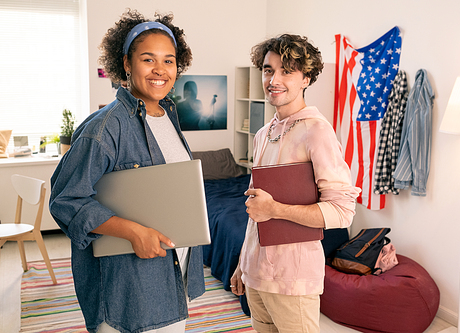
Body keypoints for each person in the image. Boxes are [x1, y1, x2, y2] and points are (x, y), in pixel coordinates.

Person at [49, 9, 205, 333]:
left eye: (169, 60)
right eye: (148, 59)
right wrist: (135, 232)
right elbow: (66, 199)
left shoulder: (168, 115)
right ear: (126, 64)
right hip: (131, 293)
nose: (160, 70)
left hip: (170, 280)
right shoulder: (105, 127)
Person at [230, 34, 361, 332]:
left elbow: (342, 212)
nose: (274, 79)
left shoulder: (317, 132)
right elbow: (256, 212)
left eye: (287, 70)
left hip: (293, 281)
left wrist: (275, 209)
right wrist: (243, 264)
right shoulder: (262, 134)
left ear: (307, 78)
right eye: (268, 70)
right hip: (256, 276)